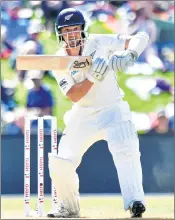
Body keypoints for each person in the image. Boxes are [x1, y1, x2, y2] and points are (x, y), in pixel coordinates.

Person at [47, 8, 149, 218]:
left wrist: (130, 53)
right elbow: (74, 95)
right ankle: (69, 206)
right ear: (60, 34)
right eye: (67, 31)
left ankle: (135, 201)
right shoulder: (58, 61)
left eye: (76, 29)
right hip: (83, 113)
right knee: (61, 161)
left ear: (83, 30)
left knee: (126, 147)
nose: (72, 35)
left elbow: (141, 37)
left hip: (113, 108)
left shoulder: (100, 42)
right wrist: (92, 77)